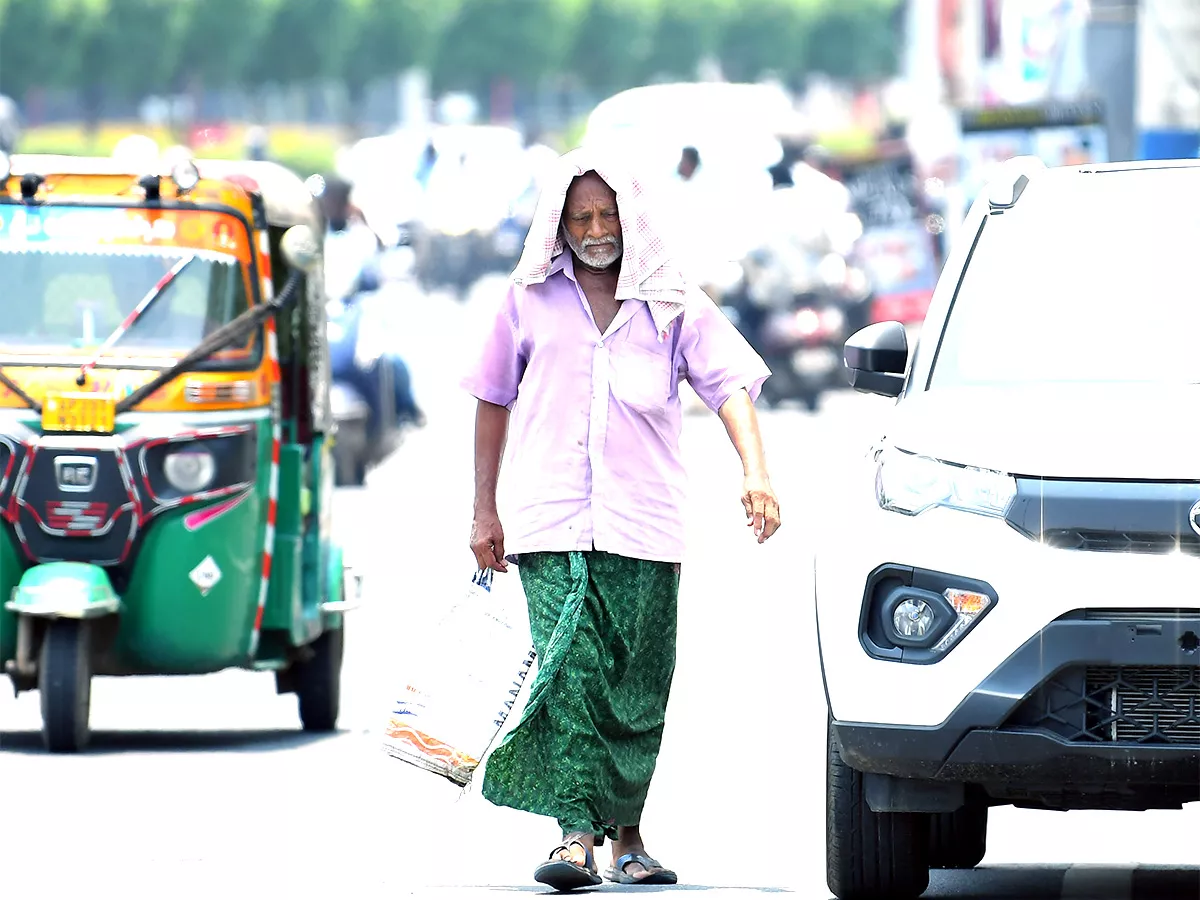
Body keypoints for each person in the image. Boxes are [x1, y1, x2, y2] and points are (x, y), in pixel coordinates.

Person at [462, 148, 782, 892]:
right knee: (571, 672)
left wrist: (756, 474)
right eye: (580, 217)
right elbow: (490, 396)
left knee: (636, 686)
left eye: (607, 215)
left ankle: (629, 838)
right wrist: (484, 506)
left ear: (631, 218)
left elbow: (731, 385)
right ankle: (575, 836)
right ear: (558, 224)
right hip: (549, 523)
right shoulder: (526, 299)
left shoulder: (674, 302)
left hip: (646, 525)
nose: (595, 228)